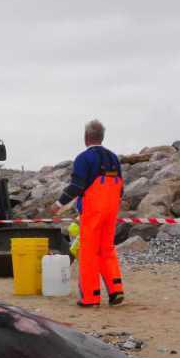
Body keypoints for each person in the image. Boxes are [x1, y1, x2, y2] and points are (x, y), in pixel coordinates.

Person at [55, 120, 124, 308]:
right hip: (111, 209)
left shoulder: (83, 158)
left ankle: (90, 297)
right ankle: (116, 289)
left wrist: (59, 203)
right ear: (102, 137)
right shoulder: (113, 158)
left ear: (86, 137)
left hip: (94, 210)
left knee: (88, 252)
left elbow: (77, 185)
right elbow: (121, 188)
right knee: (107, 249)